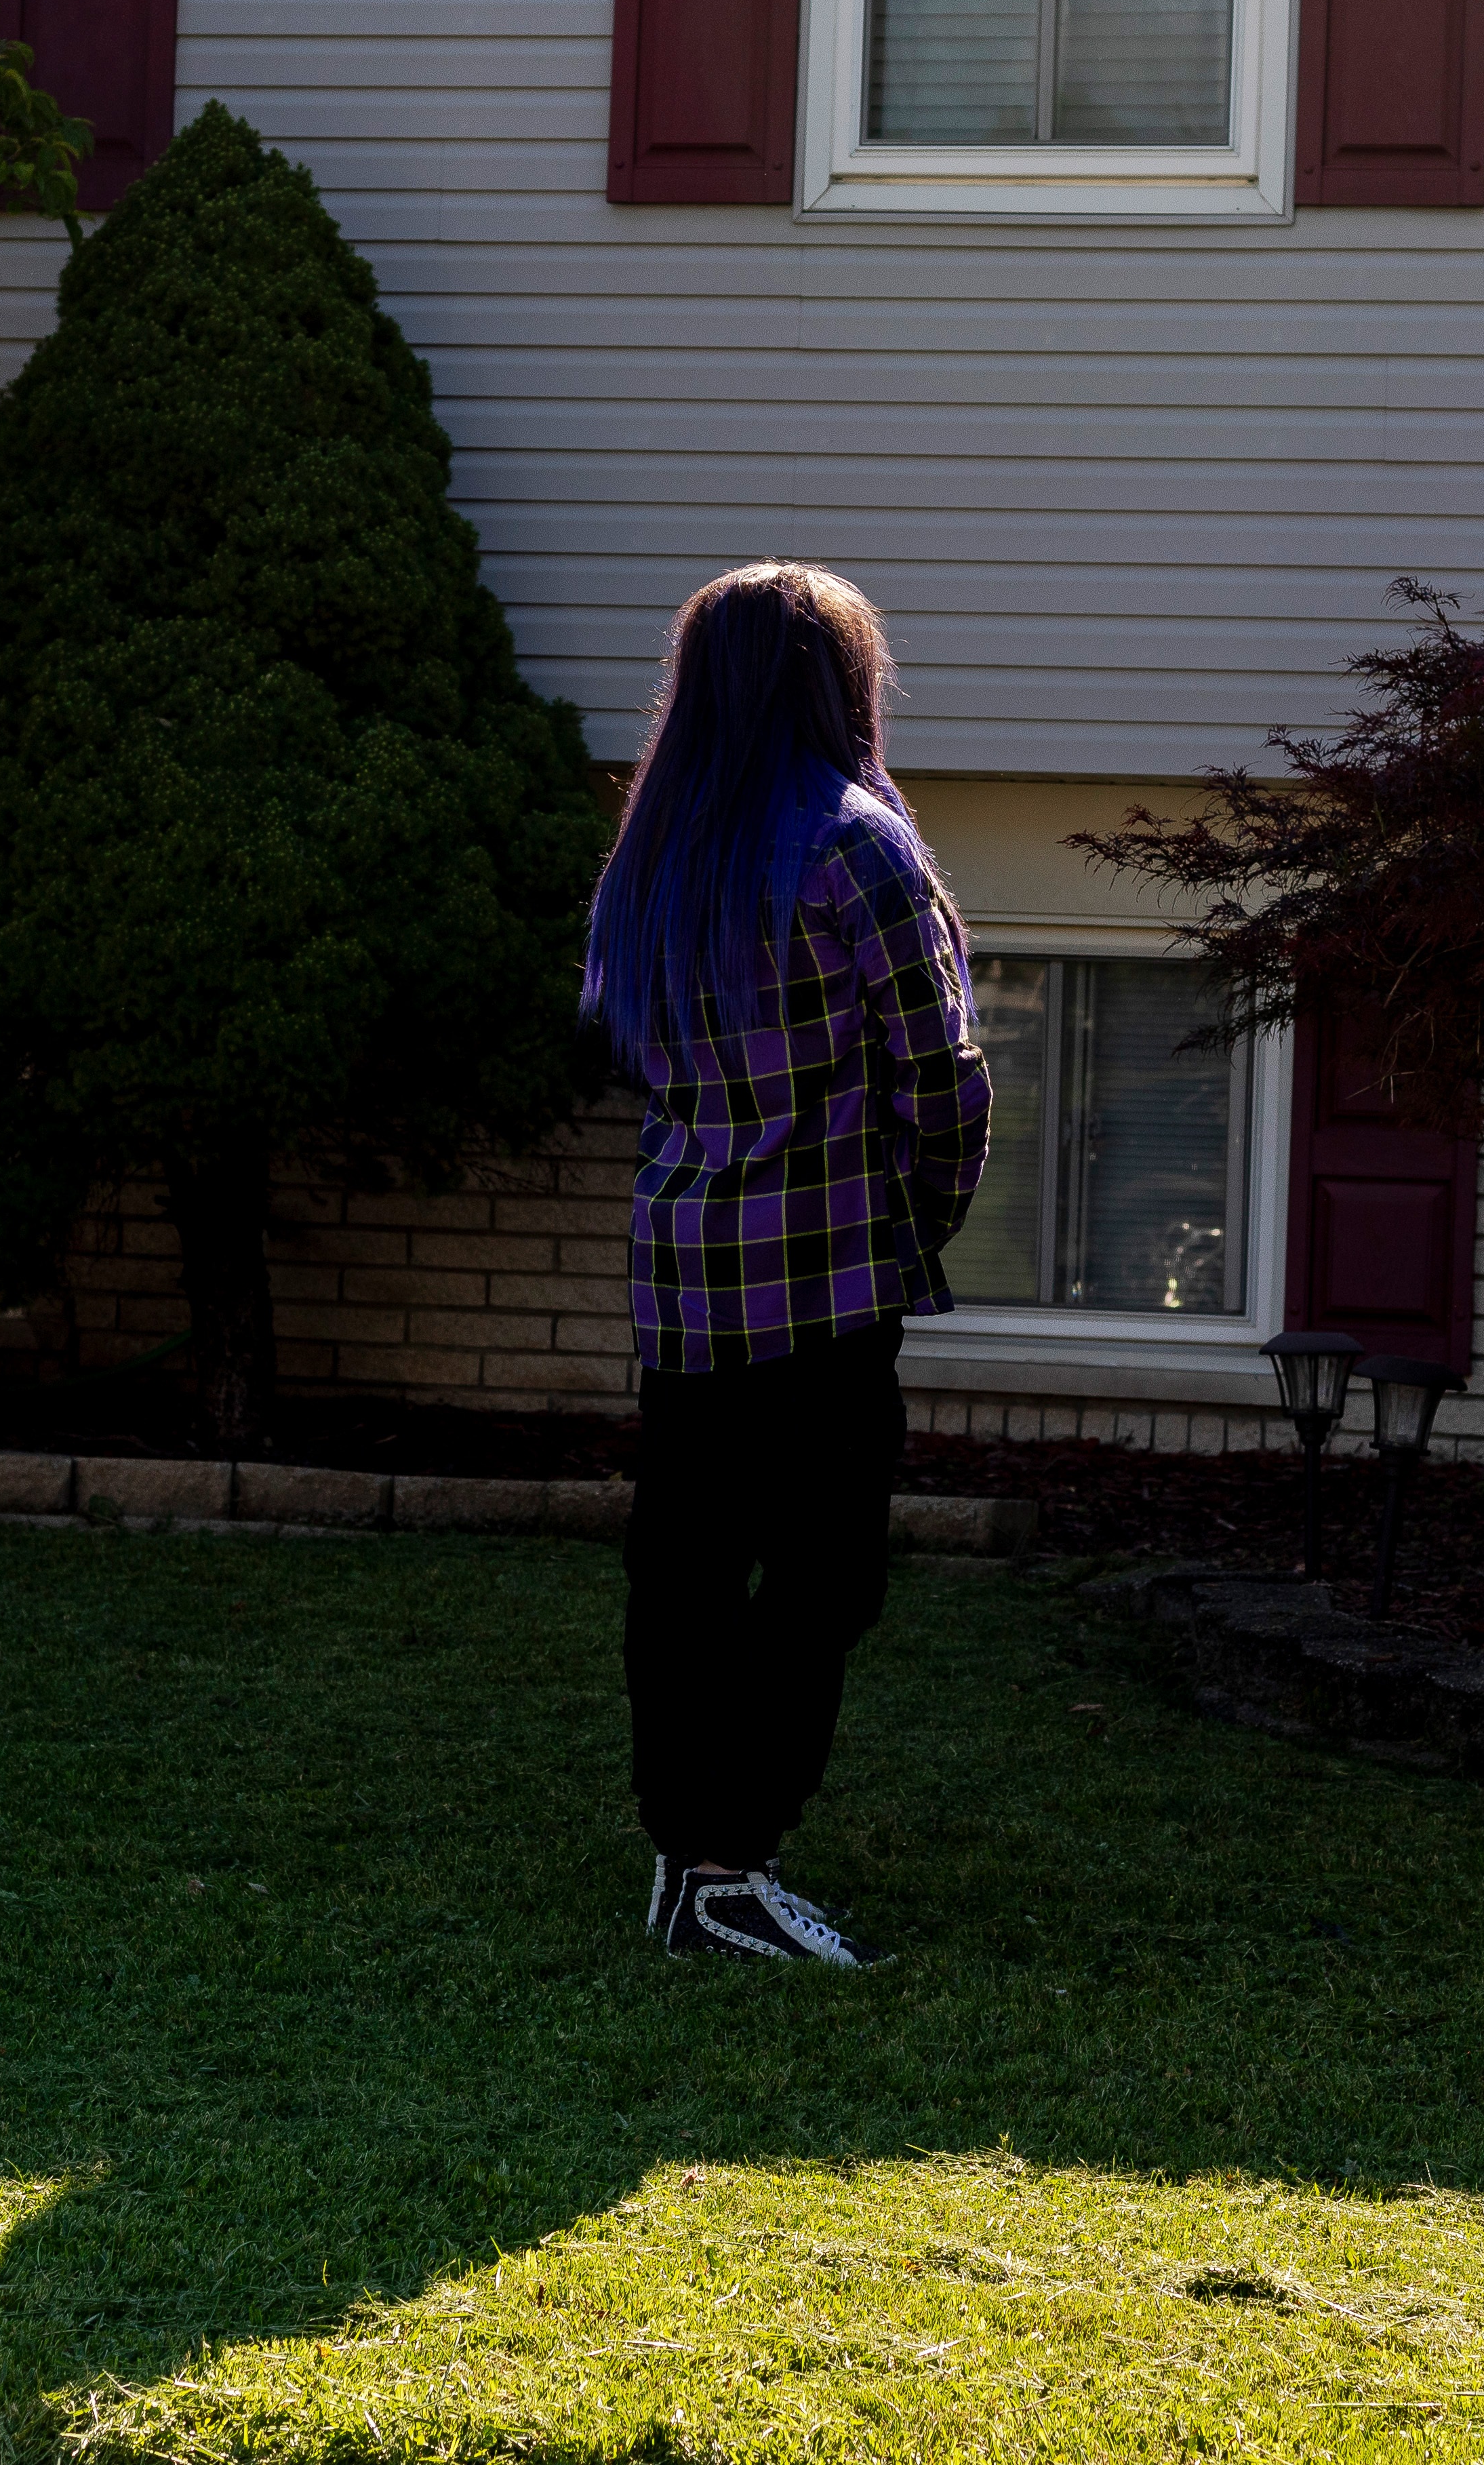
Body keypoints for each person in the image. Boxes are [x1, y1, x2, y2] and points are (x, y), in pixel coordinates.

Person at [580, 561, 990, 1966]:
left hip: (681, 1267)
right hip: (820, 1281)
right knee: (824, 1577)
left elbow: (633, 1060)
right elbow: (939, 1077)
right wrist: (917, 1218)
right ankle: (725, 1863)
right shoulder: (854, 844)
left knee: (685, 1568)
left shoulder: (655, 852)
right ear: (838, 680)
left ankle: (683, 1849)